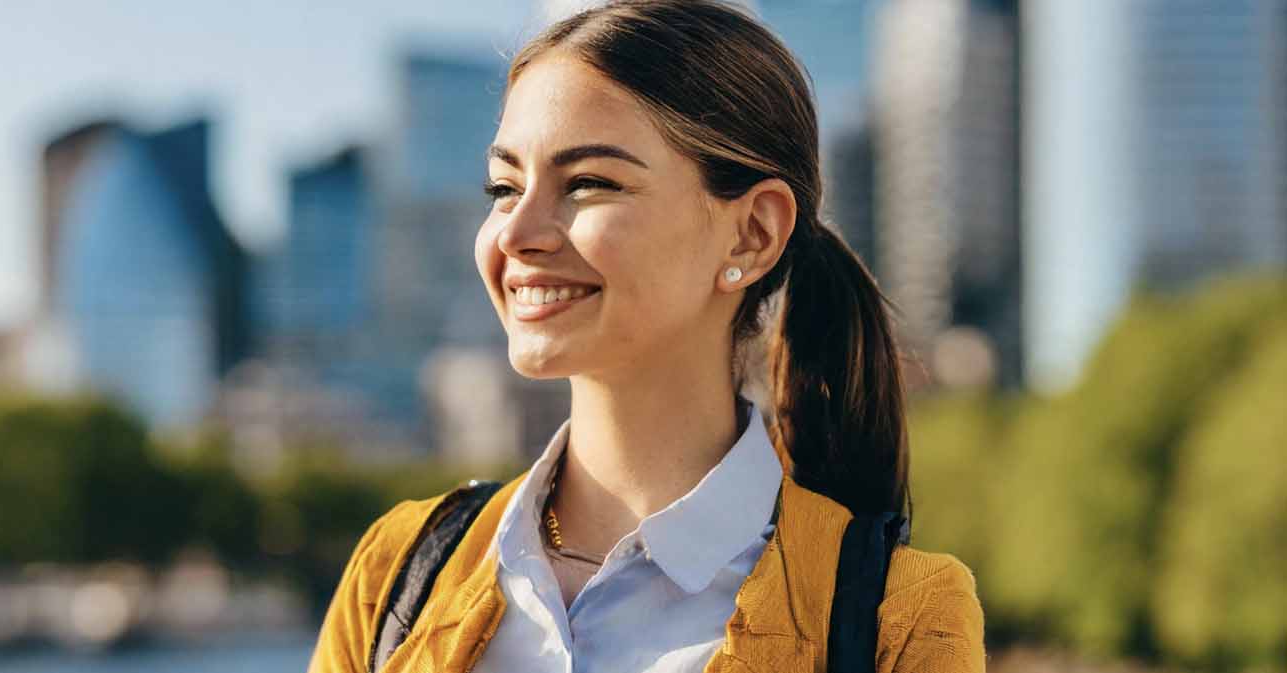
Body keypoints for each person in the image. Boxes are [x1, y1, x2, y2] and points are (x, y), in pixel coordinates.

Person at [307, 1, 986, 671]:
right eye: (504, 186)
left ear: (752, 233)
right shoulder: (398, 572)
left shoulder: (897, 618)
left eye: (589, 183)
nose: (515, 233)